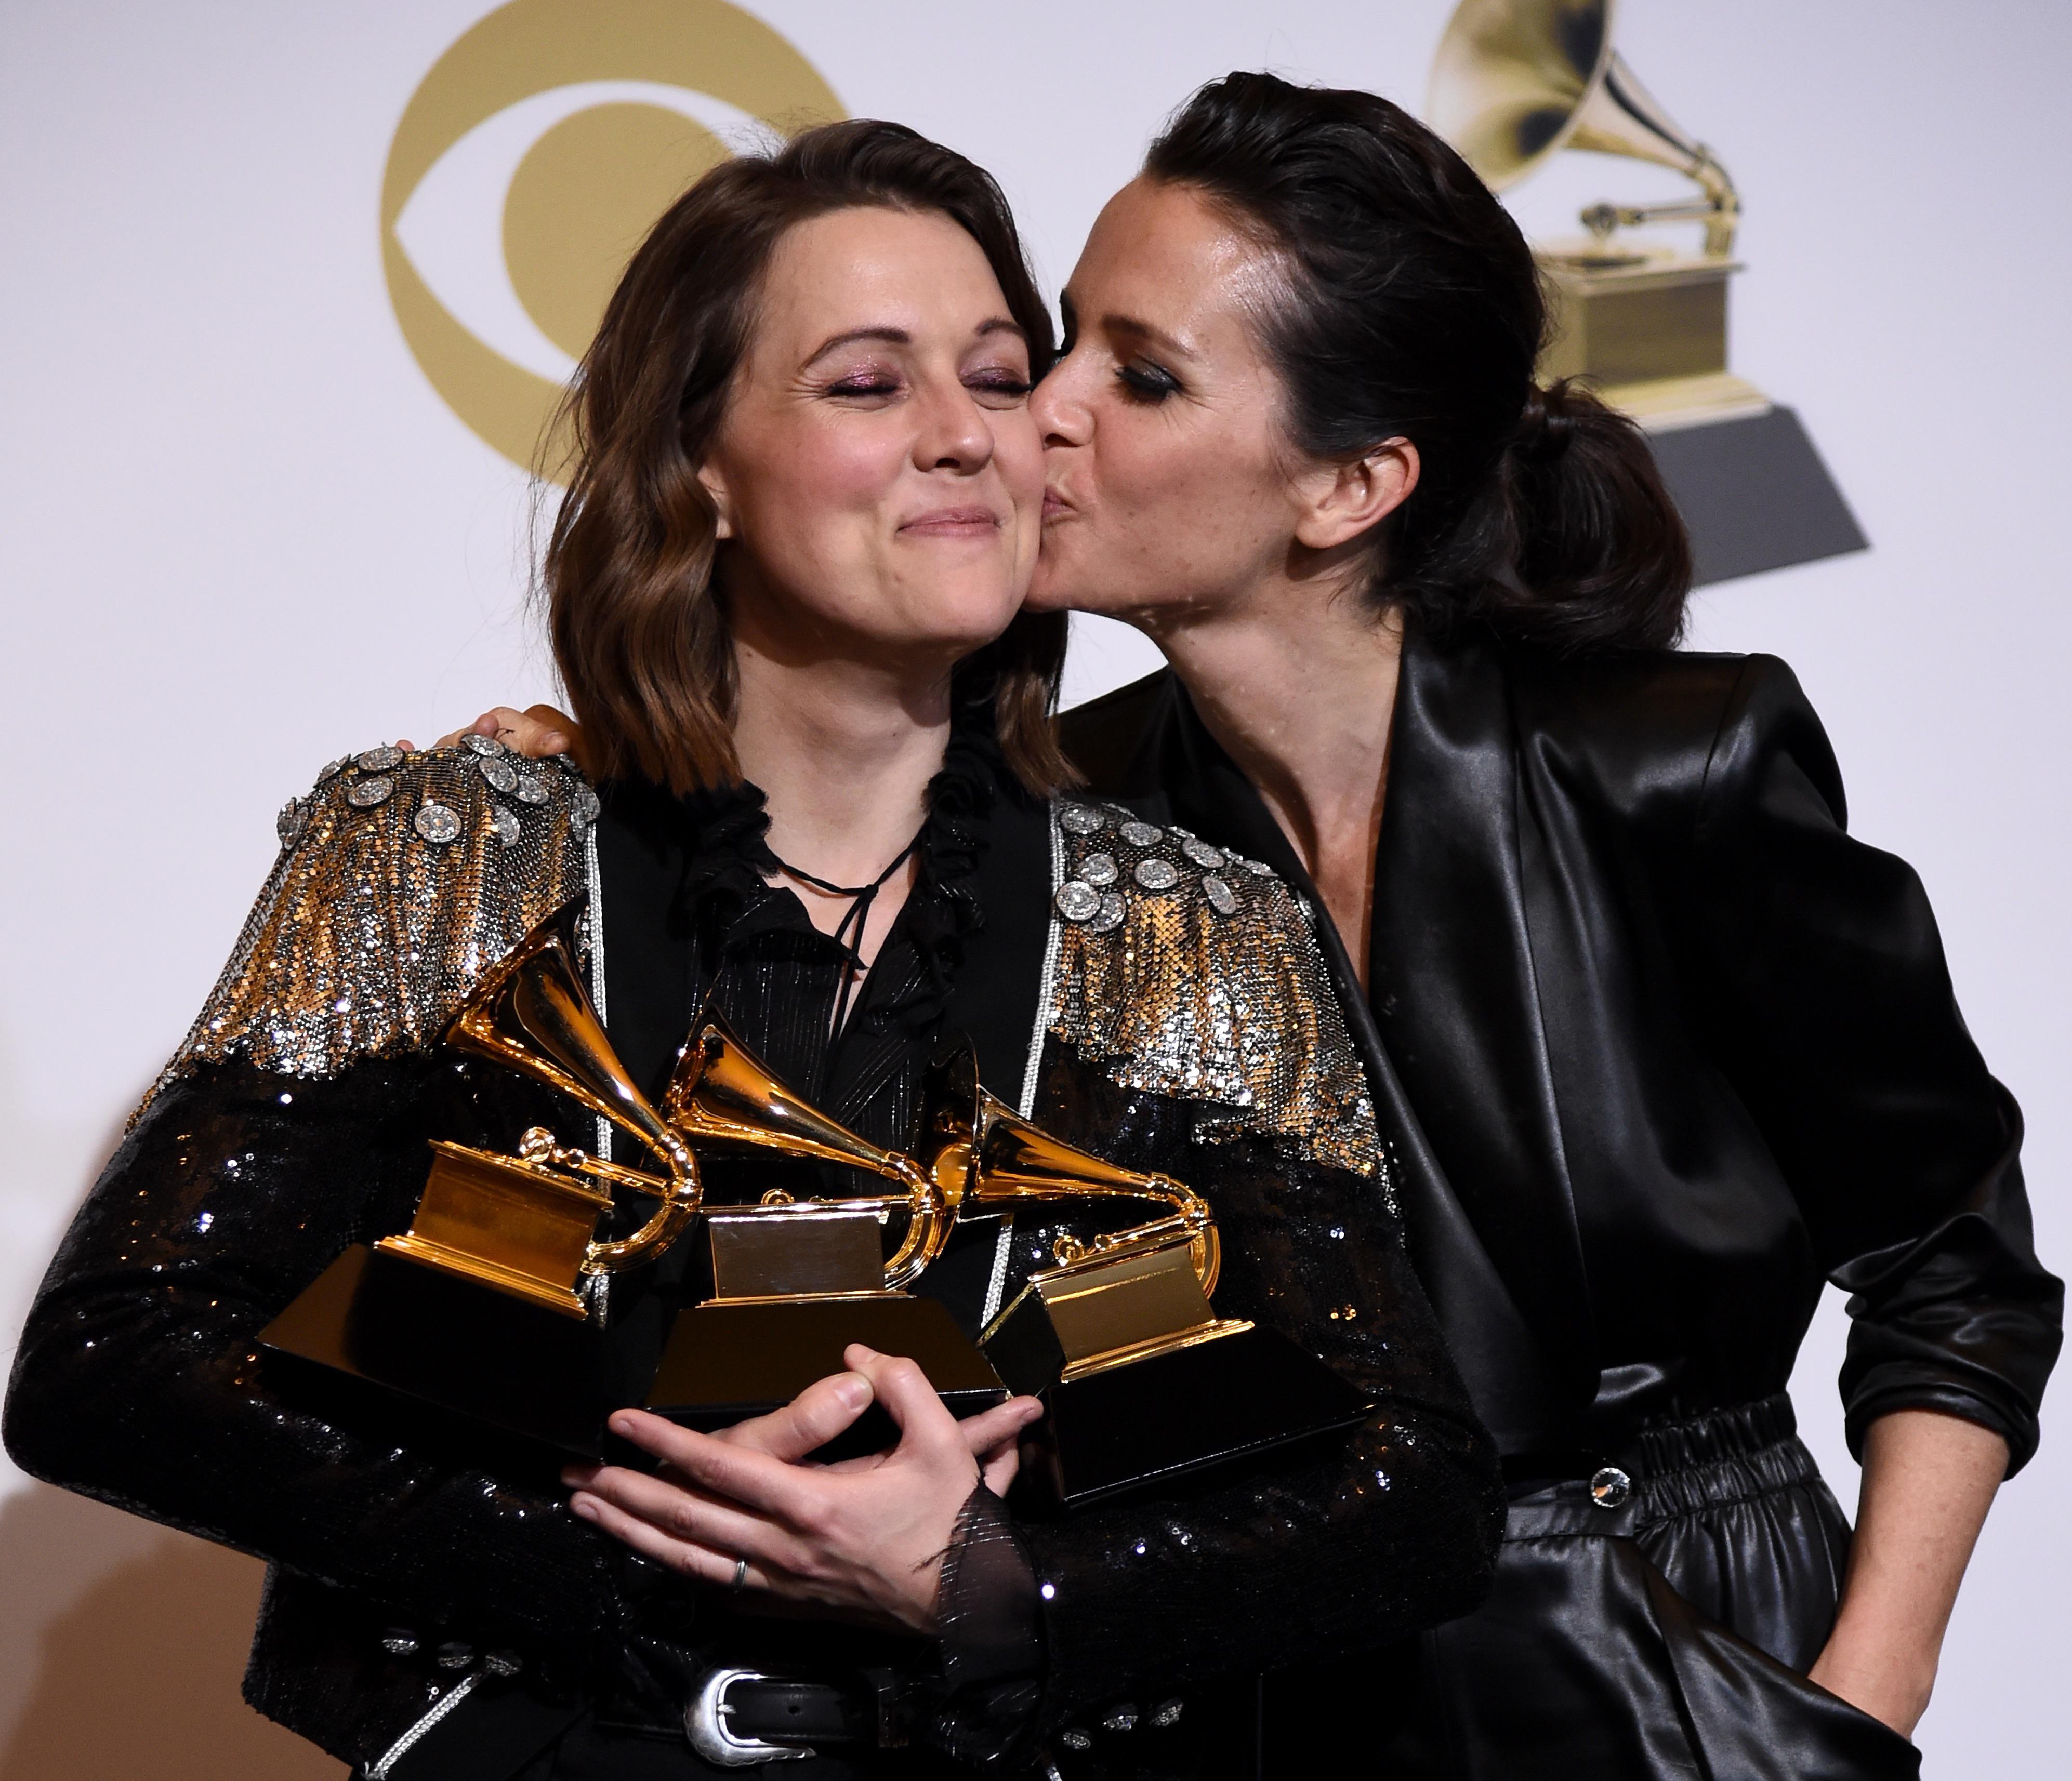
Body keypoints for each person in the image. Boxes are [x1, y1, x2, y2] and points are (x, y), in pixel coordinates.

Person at [476, 74, 2062, 1781]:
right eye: (1059, 343)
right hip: (1262, 1683)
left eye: (1138, 376)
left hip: (1684, 1674)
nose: (1038, 412)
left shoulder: (1673, 762)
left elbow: (1949, 1271)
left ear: (1348, 486)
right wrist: (605, 796)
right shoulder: (1064, 830)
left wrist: (1850, 1716)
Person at [2, 118, 1501, 1781]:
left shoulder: (1187, 922)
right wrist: (611, 1541)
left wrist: (986, 1579)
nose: (960, 438)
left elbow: (1412, 1493)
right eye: (866, 386)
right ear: (700, 460)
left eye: (997, 377)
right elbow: (110, 1360)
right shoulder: (455, 851)